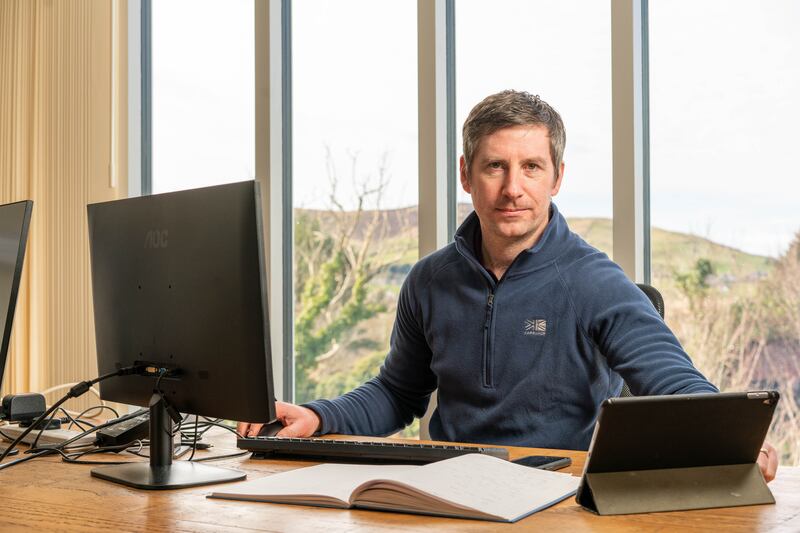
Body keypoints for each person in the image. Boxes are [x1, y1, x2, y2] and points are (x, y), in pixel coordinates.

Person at [239, 90, 778, 482]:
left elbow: (672, 379)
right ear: (466, 174)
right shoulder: (428, 280)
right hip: (446, 484)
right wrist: (319, 415)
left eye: (532, 167)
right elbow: (398, 393)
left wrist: (729, 435)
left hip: (557, 492)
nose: (513, 188)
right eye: (495, 166)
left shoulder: (595, 280)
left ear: (557, 177)